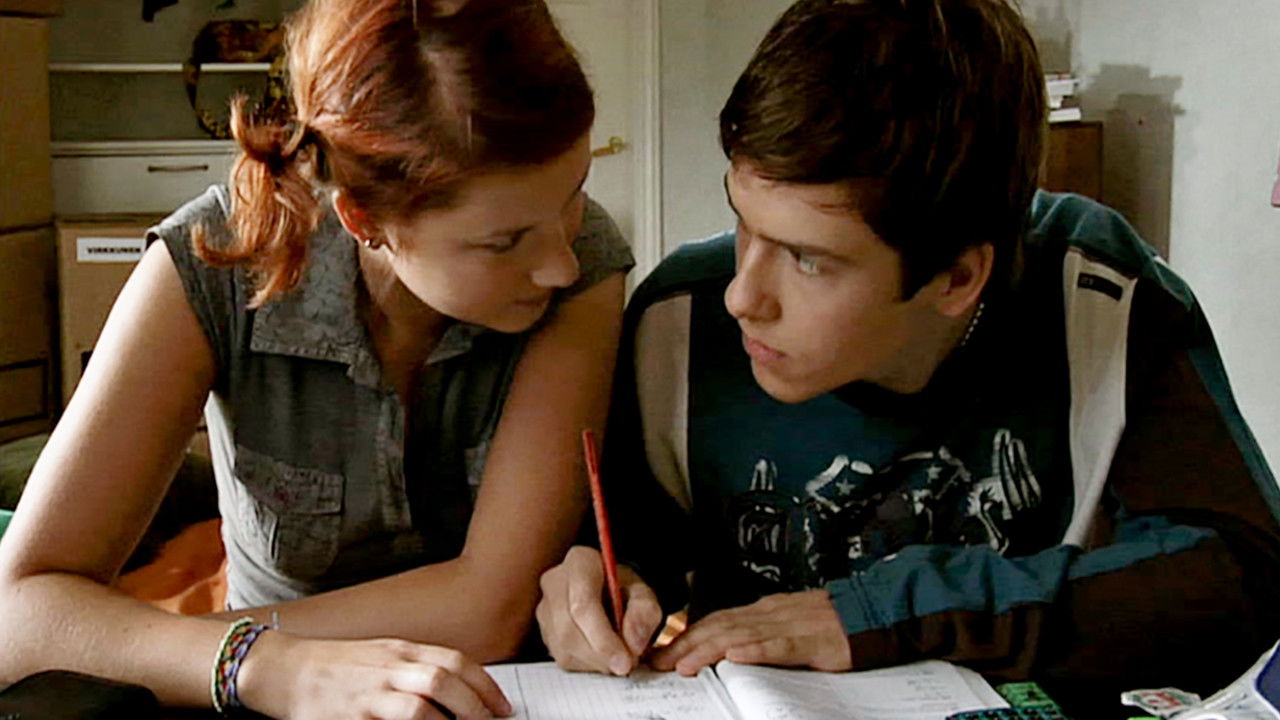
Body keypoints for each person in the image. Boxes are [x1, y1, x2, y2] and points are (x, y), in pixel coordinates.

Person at [536, 0, 1280, 696]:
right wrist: (598, 587)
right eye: (743, 222)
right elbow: (631, 554)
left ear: (956, 277)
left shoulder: (1099, 296)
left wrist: (888, 611)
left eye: (808, 260)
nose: (743, 296)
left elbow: (1242, 576)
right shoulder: (680, 317)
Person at [0, 0, 632, 717]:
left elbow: (490, 611)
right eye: (504, 241)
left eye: (574, 195)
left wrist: (156, 644)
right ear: (363, 219)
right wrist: (262, 664)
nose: (559, 263)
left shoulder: (583, 263)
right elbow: (20, 615)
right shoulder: (210, 263)